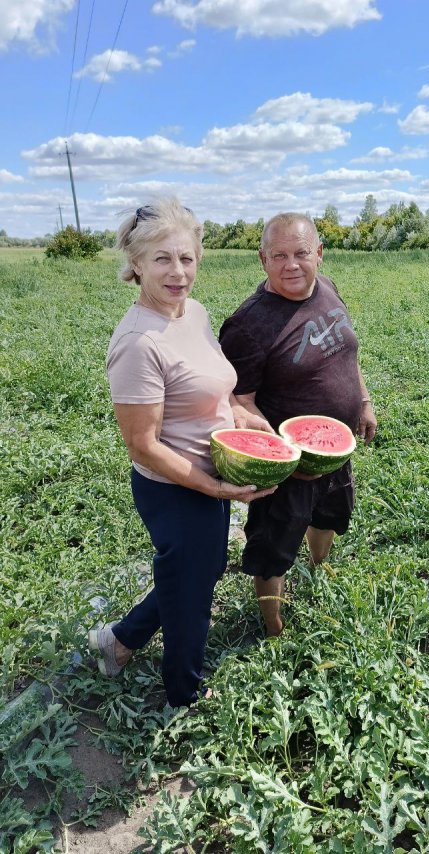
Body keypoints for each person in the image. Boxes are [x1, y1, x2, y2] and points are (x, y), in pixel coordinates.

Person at [89, 197, 276, 708]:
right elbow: (143, 444)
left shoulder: (193, 313)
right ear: (136, 265)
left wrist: (240, 417)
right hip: (173, 487)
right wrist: (213, 486)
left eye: (186, 258)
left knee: (199, 570)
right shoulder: (136, 343)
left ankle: (119, 641)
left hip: (212, 470)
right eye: (161, 260)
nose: (177, 272)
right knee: (193, 594)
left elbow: (210, 384)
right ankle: (183, 695)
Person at [219, 212, 377, 637]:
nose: (292, 264)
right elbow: (238, 400)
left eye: (302, 253)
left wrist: (362, 400)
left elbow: (347, 353)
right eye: (279, 255)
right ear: (262, 260)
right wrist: (282, 456)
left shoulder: (327, 288)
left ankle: (319, 568)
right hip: (288, 468)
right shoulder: (247, 325)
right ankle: (274, 628)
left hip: (336, 451)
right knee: (272, 548)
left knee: (329, 517)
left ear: (320, 254)